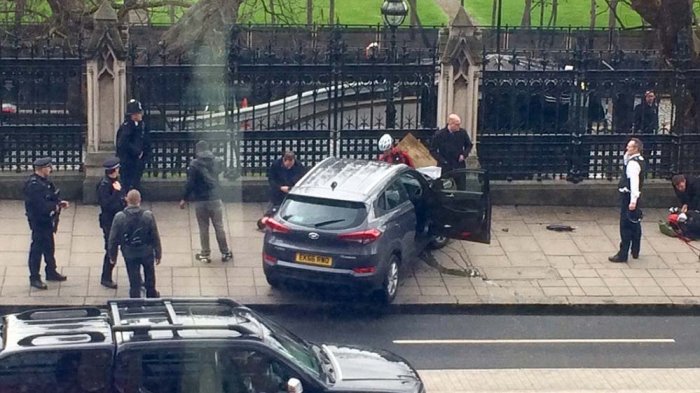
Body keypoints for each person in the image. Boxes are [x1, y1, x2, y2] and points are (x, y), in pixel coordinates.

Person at [179, 140, 233, 263]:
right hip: (215, 198)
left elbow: (190, 184)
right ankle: (225, 252)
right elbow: (221, 173)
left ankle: (205, 254)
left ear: (198, 150)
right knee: (219, 226)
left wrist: (184, 198)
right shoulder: (217, 161)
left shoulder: (194, 164)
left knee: (203, 227)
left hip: (200, 200)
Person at [24, 157, 69, 289]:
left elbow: (51, 197)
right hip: (39, 221)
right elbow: (40, 205)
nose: (50, 169)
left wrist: (59, 203)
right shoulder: (34, 185)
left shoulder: (45, 183)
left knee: (49, 247)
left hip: (47, 221)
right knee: (37, 249)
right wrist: (54, 207)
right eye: (48, 167)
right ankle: (34, 277)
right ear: (42, 168)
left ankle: (51, 271)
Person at [108, 189, 162, 298]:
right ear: (140, 200)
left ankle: (135, 301)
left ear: (127, 200)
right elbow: (155, 236)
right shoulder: (148, 215)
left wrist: (112, 256)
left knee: (134, 280)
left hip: (129, 253)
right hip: (146, 252)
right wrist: (158, 253)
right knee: (150, 276)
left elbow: (112, 239)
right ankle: (152, 296)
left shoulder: (120, 217)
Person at [609, 138, 645, 263]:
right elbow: (625, 160)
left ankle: (623, 253)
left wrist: (632, 200)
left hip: (629, 196)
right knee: (635, 223)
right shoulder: (638, 160)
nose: (627, 149)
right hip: (635, 196)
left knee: (625, 226)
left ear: (635, 149)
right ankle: (635, 250)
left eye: (629, 147)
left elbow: (634, 182)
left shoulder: (633, 164)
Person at [96, 157, 125, 289]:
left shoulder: (116, 182)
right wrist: (116, 193)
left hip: (119, 219)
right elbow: (106, 204)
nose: (119, 170)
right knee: (111, 249)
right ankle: (106, 277)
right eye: (117, 168)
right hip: (110, 222)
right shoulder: (104, 185)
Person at [257, 151, 306, 229]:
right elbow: (271, 179)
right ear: (284, 160)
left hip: (291, 192)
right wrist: (280, 187)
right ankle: (265, 222)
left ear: (293, 160)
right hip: (277, 192)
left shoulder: (299, 166)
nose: (289, 167)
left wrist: (292, 187)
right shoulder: (276, 165)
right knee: (273, 209)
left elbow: (302, 179)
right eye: (288, 165)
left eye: (291, 164)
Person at [116, 99, 151, 192]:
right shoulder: (127, 127)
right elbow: (123, 143)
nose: (140, 115)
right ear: (133, 115)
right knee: (128, 185)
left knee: (135, 183)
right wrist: (137, 152)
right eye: (138, 113)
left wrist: (145, 154)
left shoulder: (141, 125)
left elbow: (145, 141)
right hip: (128, 162)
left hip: (137, 161)